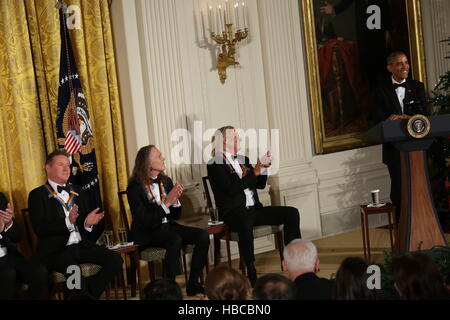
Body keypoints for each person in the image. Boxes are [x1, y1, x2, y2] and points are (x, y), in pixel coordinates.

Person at [207, 126, 301, 285]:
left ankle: (295, 260)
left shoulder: (243, 159)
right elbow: (231, 190)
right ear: (223, 142)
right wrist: (255, 172)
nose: (239, 139)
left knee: (292, 213)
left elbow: (259, 185)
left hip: (255, 210)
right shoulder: (215, 163)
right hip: (234, 213)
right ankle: (251, 269)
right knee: (245, 221)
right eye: (234, 137)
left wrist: (263, 169)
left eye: (238, 136)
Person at [28, 150, 123, 299]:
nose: (67, 169)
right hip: (57, 251)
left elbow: (82, 220)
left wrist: (87, 222)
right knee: (74, 272)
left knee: (115, 260)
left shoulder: (77, 191)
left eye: (68, 165)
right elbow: (40, 229)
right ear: (47, 167)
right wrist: (67, 222)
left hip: (81, 246)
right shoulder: (37, 195)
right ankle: (84, 296)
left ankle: (87, 297)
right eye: (61, 165)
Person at [126, 145, 209, 296]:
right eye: (159, 156)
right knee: (174, 238)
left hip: (167, 226)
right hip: (147, 231)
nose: (163, 158)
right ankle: (169, 287)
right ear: (147, 163)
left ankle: (193, 283)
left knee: (202, 236)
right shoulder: (134, 187)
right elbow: (144, 220)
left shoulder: (166, 181)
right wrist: (166, 203)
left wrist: (175, 201)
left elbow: (175, 216)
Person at [371, 51, 427, 219]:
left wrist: (404, 118)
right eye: (399, 63)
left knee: (420, 188)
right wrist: (388, 120)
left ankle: (422, 225)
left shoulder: (417, 87)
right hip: (394, 150)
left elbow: (425, 116)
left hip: (418, 147)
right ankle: (401, 228)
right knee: (399, 190)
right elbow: (377, 120)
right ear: (390, 68)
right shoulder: (380, 91)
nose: (405, 67)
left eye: (406, 62)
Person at [0, 192, 49, 300]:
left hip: (8, 256)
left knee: (40, 272)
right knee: (8, 274)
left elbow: (17, 237)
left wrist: (9, 224)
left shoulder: (0, 197)